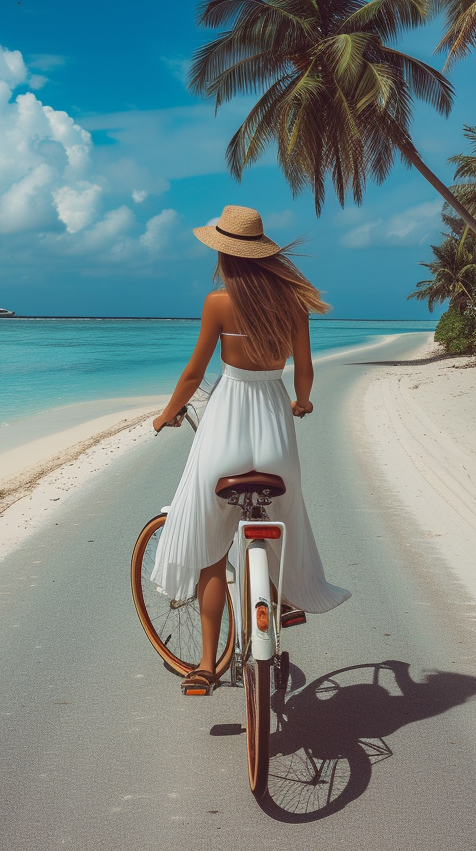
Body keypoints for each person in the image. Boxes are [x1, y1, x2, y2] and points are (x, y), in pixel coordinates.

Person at [151, 205, 351, 695]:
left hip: (227, 423)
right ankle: (281, 596)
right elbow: (304, 370)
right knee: (281, 513)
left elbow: (195, 374)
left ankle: (205, 665)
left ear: (224, 252)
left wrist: (167, 413)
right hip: (274, 428)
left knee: (212, 554)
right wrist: (301, 402)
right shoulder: (293, 303)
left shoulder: (218, 302)